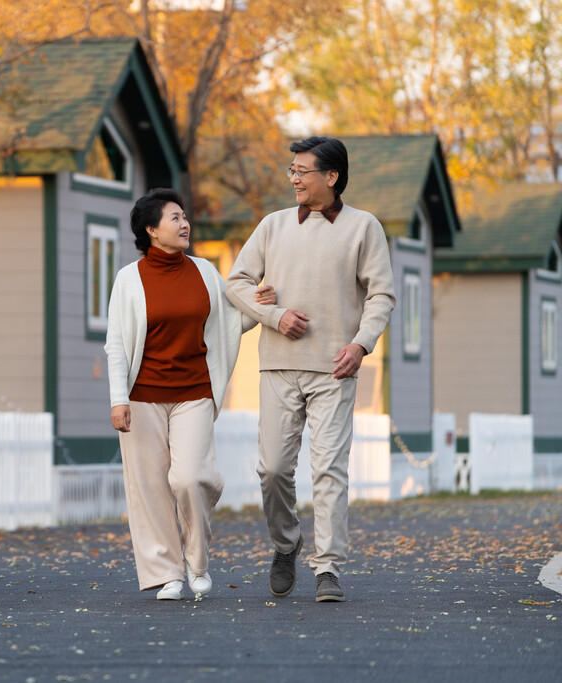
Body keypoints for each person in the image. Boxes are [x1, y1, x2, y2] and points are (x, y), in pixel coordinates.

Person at [224, 136, 395, 602]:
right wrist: (274, 316)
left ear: (331, 176)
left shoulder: (364, 227)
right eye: (292, 170)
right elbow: (236, 283)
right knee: (273, 469)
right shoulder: (273, 226)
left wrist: (361, 345)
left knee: (329, 470)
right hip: (278, 364)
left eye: (302, 170)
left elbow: (381, 294)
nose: (294, 178)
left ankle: (328, 568)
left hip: (335, 368)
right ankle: (286, 543)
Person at [104, 188, 274, 601]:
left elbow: (227, 323)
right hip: (142, 396)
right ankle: (169, 575)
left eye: (184, 217)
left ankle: (197, 564)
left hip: (194, 391)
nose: (185, 224)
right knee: (150, 488)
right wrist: (117, 399)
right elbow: (117, 345)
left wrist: (259, 305)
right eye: (174, 218)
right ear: (151, 230)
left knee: (190, 478)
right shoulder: (130, 279)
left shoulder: (204, 271)